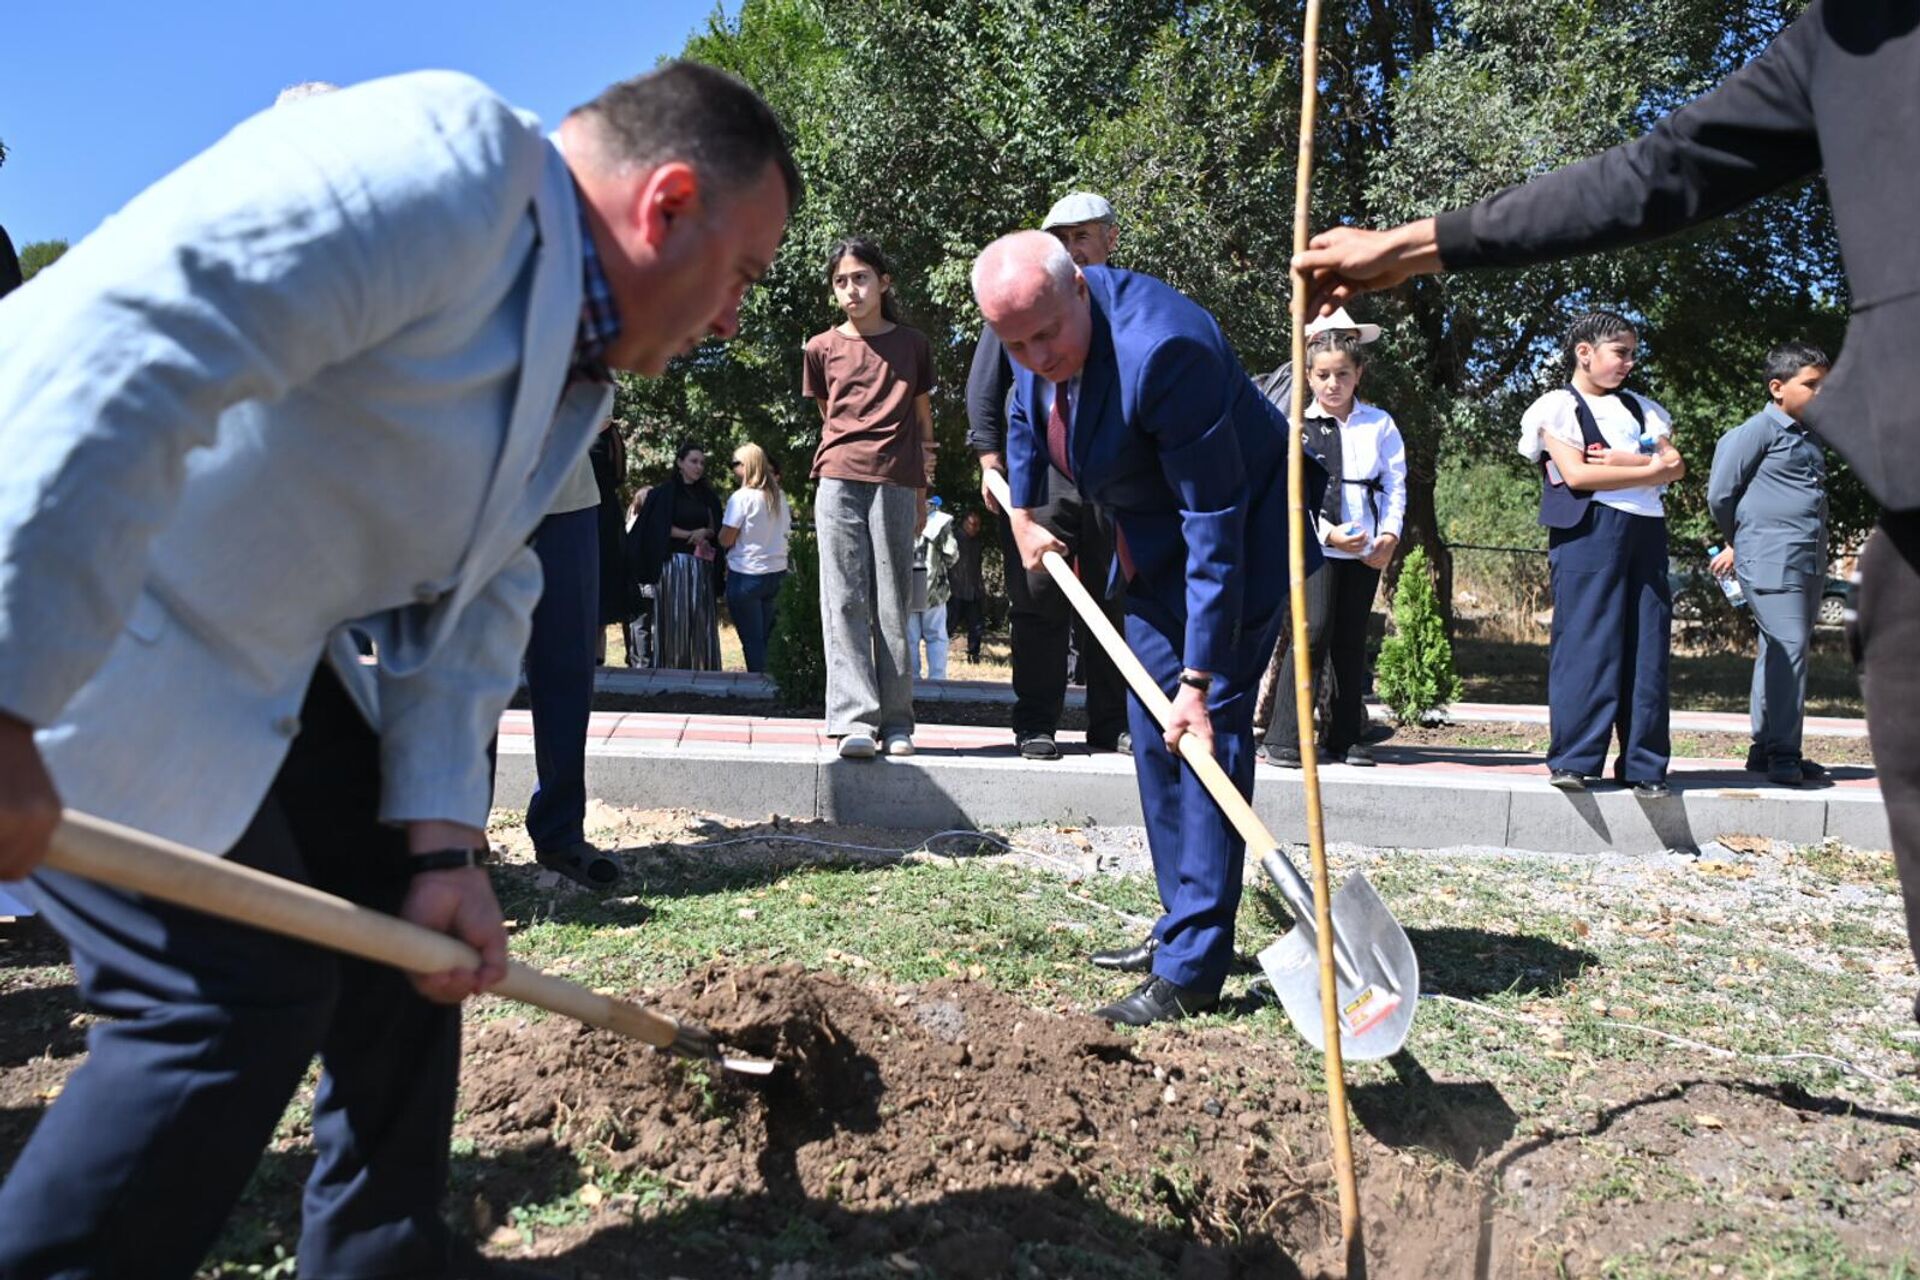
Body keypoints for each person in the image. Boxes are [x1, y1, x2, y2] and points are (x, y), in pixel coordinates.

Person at [0, 61, 798, 1277]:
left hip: (239, 646)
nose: (736, 319)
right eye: (743, 274)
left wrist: (439, 844)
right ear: (669, 204)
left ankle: (378, 1260)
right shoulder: (450, 163)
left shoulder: (573, 357)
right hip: (77, 581)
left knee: (404, 941)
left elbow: (477, 593)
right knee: (231, 999)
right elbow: (130, 337)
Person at [972, 231, 1315, 1026]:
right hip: (1153, 536)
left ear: (1081, 290)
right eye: (1014, 342)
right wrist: (1024, 515)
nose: (1036, 354)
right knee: (1148, 721)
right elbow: (1027, 415)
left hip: (1238, 537)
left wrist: (1198, 678)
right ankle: (1182, 925)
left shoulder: (1167, 352)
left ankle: (1194, 968)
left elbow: (1214, 517)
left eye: (1047, 334)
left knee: (1204, 726)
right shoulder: (1033, 348)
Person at [968, 192, 1130, 760]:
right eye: (1059, 240)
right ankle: (1035, 722)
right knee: (1037, 595)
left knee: (1117, 595)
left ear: (1110, 238)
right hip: (1038, 469)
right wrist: (991, 463)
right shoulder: (1022, 299)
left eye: (1081, 236)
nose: (1070, 249)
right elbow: (987, 387)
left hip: (1114, 472)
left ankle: (1113, 724)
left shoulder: (1126, 306)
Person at [1518, 312, 1687, 797]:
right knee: (1588, 641)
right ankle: (1574, 759)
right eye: (1620, 352)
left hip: (1647, 531)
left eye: (1633, 353)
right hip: (1590, 531)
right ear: (1585, 352)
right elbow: (1578, 476)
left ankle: (1644, 764)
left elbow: (1676, 466)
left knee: (1647, 645)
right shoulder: (1556, 407)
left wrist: (1628, 461)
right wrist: (1650, 468)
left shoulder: (1643, 410)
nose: (1629, 363)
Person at [804, 236, 935, 760]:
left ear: (884, 282)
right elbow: (829, 417)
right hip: (837, 480)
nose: (851, 290)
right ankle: (854, 720)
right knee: (843, 599)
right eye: (841, 282)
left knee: (892, 602)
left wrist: (924, 490)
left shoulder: (913, 345)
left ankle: (898, 722)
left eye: (860, 278)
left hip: (898, 482)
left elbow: (924, 422)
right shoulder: (819, 348)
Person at [1264, 325, 1406, 770]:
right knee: (1312, 629)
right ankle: (1285, 735)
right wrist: (1326, 534)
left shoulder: (1379, 424)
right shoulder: (1296, 427)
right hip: (1316, 546)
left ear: (1358, 374)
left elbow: (1394, 484)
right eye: (1323, 375)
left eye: (1342, 374)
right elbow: (1290, 494)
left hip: (1366, 549)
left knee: (1350, 638)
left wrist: (1390, 536)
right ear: (1308, 377)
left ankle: (1346, 736)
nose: (1332, 384)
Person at [1708, 342, 1832, 787]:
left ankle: (1765, 748)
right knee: (1790, 649)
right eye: (1812, 385)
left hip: (1806, 561)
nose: (1822, 393)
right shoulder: (1756, 431)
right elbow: (1720, 494)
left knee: (1776, 653)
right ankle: (1785, 752)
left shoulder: (1807, 436)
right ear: (1777, 388)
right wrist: (1738, 541)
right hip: (1771, 561)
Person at [523, 439, 621, 891]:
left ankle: (560, 831)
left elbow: (599, 402)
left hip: (567, 498)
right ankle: (456, 840)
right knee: (465, 676)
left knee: (566, 668)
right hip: (466, 491)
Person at [628, 442, 725, 671]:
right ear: (680, 463)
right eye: (693, 461)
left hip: (701, 566)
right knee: (675, 620)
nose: (698, 467)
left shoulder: (708, 496)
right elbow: (657, 526)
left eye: (702, 462)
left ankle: (702, 667)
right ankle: (671, 666)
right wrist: (689, 534)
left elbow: (715, 527)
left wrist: (705, 532)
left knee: (700, 621)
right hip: (674, 565)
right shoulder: (663, 494)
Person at [720, 441, 792, 674]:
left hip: (746, 575)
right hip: (777, 573)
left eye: (735, 464)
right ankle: (774, 685)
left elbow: (726, 539)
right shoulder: (779, 496)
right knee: (769, 640)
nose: (733, 469)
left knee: (752, 641)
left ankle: (759, 691)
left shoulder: (742, 498)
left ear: (746, 466)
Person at [908, 497, 960, 681]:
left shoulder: (902, 513)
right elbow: (951, 554)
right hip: (933, 584)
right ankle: (937, 678)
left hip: (907, 582)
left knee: (910, 636)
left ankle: (912, 677)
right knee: (936, 634)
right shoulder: (940, 521)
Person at [947, 508, 989, 663]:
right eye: (974, 524)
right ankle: (939, 653)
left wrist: (981, 589)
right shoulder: (954, 539)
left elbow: (977, 567)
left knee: (976, 627)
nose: (976, 528)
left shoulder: (977, 543)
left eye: (978, 525)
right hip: (956, 590)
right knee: (950, 624)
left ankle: (974, 655)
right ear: (965, 523)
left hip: (973, 591)